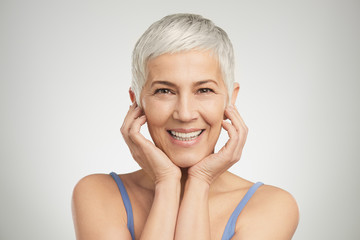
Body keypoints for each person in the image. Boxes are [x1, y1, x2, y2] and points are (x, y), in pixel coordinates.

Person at [72, 13, 299, 240]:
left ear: (230, 98)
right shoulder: (98, 193)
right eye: (164, 91)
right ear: (137, 101)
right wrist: (166, 183)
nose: (185, 113)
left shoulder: (272, 207)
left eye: (204, 90)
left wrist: (200, 181)